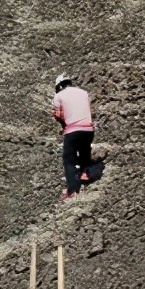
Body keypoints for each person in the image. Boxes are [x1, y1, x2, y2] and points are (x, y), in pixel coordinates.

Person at [52, 73, 94, 201]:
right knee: (84, 150)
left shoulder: (58, 96)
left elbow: (57, 114)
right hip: (88, 129)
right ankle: (85, 172)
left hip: (72, 130)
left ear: (59, 86)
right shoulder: (84, 93)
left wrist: (63, 124)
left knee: (68, 159)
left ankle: (72, 190)